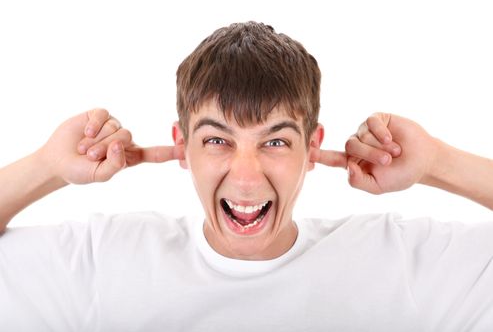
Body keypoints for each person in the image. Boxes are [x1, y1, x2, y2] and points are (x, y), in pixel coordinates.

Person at [1, 21, 492, 331]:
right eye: (217, 140)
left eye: (275, 142)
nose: (246, 177)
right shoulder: (103, 261)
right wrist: (47, 165)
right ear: (182, 147)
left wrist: (436, 163)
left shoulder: (400, 263)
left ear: (313, 148)